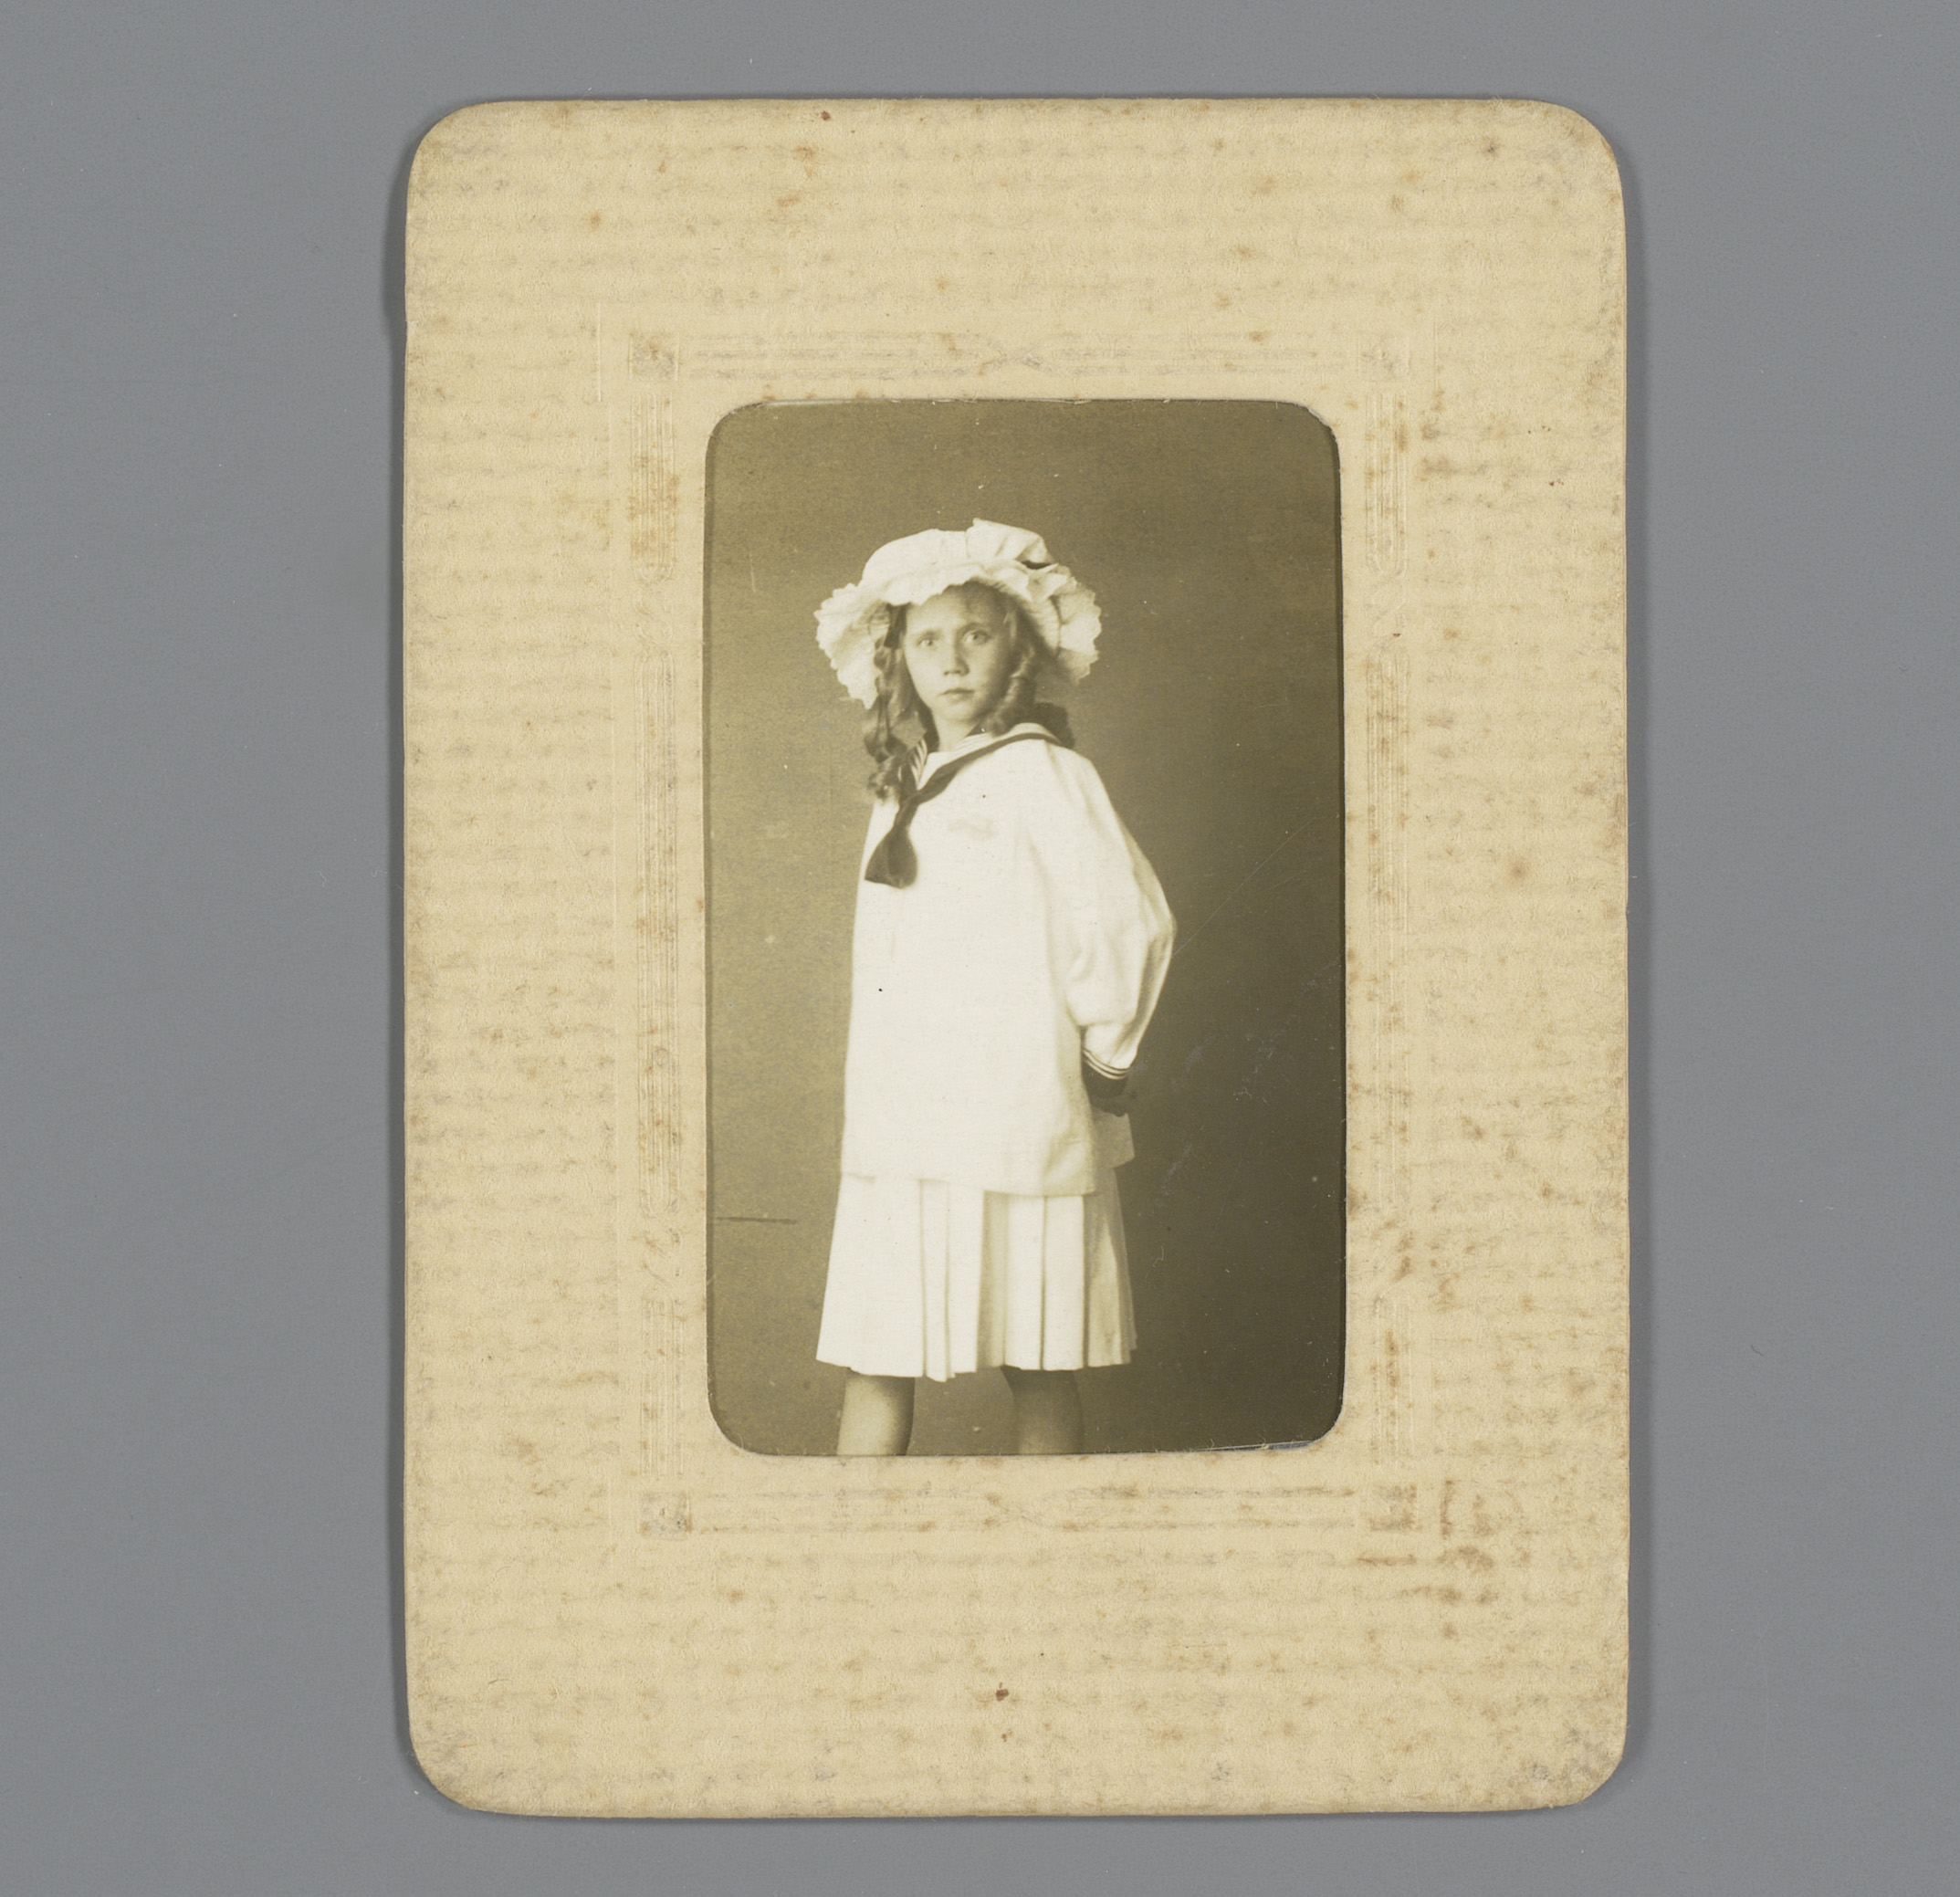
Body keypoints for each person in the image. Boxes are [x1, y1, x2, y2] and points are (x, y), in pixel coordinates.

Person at [811, 519, 1175, 1455]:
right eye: (928, 639)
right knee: (875, 1357)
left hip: (1014, 1115)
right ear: (898, 658)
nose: (952, 659)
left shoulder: (1046, 774)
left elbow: (1128, 921)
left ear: (1015, 648)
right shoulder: (900, 786)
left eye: (975, 633)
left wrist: (1102, 1058)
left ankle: (1046, 1539)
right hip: (905, 1122)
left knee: (1037, 1357)